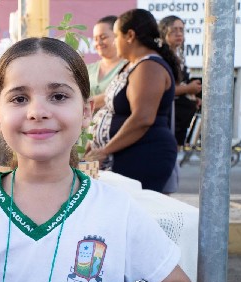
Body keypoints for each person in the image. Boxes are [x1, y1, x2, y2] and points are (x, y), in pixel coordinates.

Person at [0, 37, 197, 282]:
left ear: (86, 112)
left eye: (59, 96)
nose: (37, 112)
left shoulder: (118, 210)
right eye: (19, 98)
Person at [86, 9, 181, 193]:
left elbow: (142, 119)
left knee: (128, 208)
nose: (114, 42)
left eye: (115, 36)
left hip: (142, 155)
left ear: (130, 36)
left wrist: (105, 150)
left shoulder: (149, 66)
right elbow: (109, 100)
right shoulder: (133, 65)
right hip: (117, 155)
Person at [159, 15, 202, 147]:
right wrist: (188, 89)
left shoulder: (178, 55)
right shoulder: (160, 58)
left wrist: (192, 96)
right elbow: (163, 89)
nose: (178, 34)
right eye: (174, 30)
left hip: (180, 120)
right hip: (168, 118)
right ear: (164, 32)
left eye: (181, 29)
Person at [87, 16, 127, 111]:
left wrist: (83, 104)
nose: (99, 42)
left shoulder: (128, 66)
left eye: (103, 37)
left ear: (117, 36)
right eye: (95, 39)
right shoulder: (88, 69)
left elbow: (120, 95)